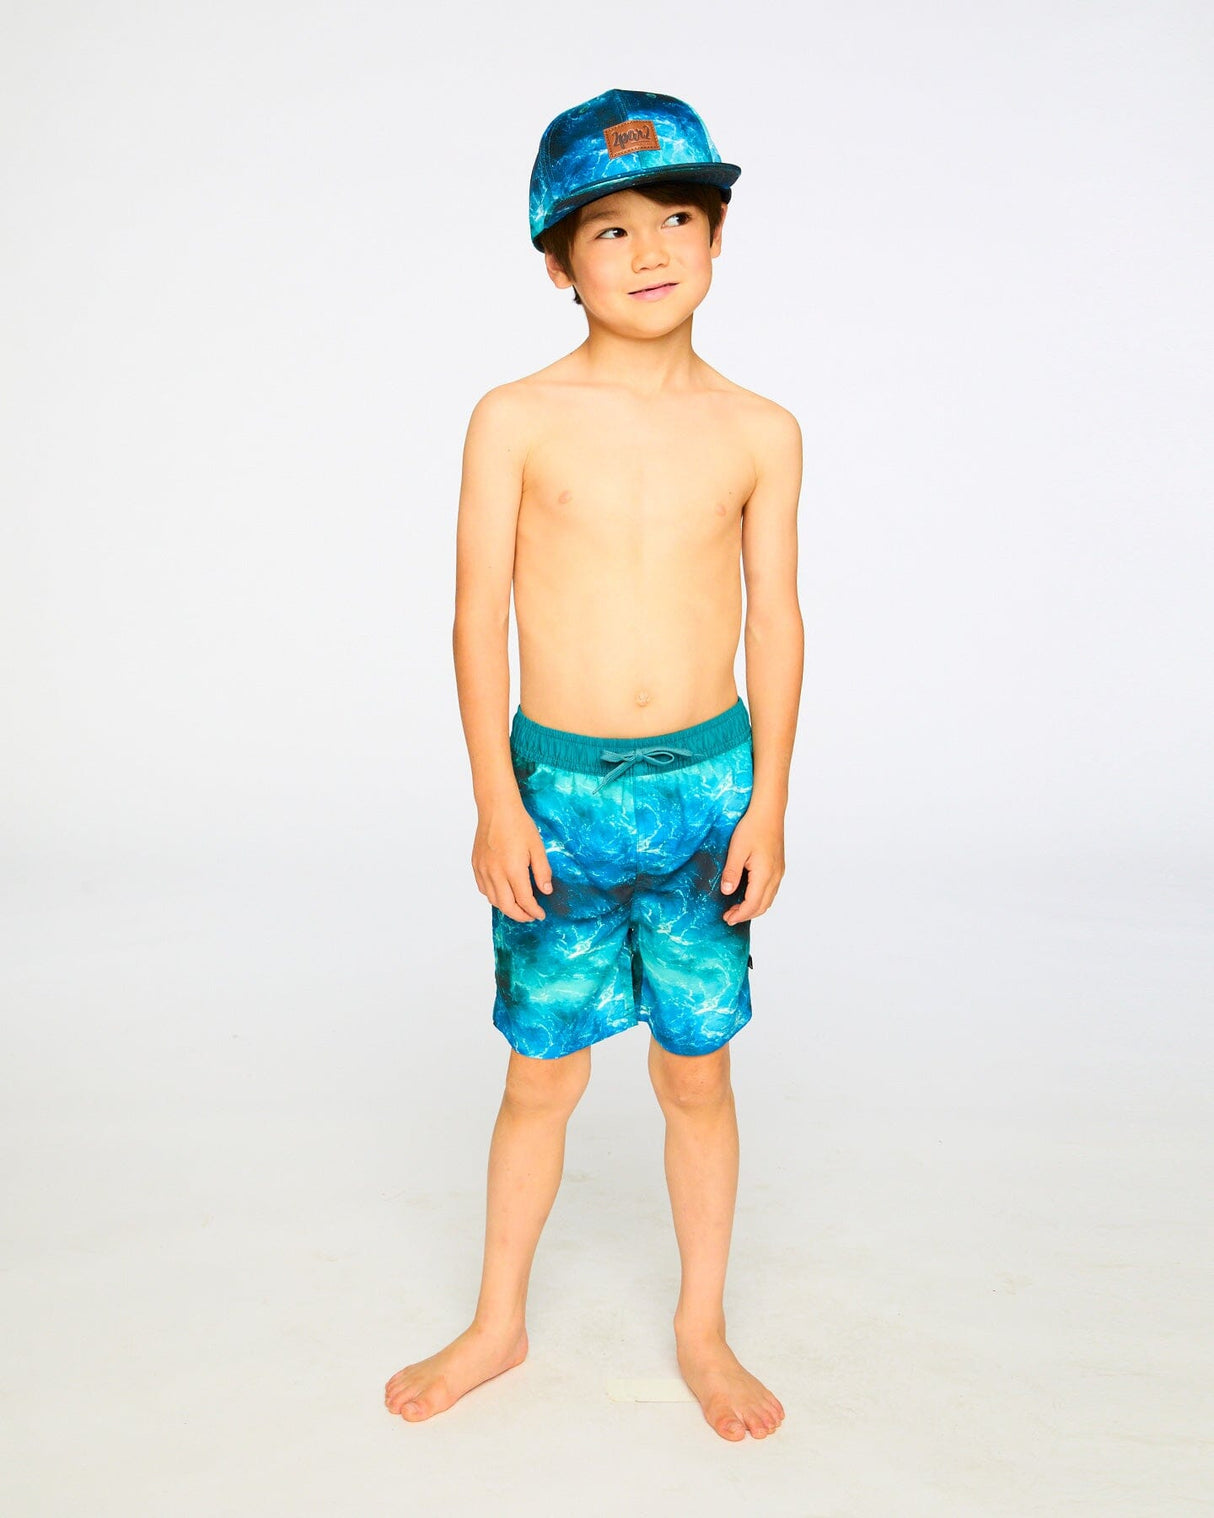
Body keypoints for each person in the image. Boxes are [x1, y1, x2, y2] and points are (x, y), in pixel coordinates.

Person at [385, 87, 803, 1442]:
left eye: (675, 216)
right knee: (541, 1071)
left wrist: (773, 805)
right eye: (608, 230)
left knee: (697, 1071)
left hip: (704, 790)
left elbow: (777, 619)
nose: (647, 250)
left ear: (719, 236)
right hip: (557, 792)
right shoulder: (515, 416)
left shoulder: (758, 430)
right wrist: (494, 799)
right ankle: (500, 1317)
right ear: (557, 264)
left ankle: (700, 1325)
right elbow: (472, 613)